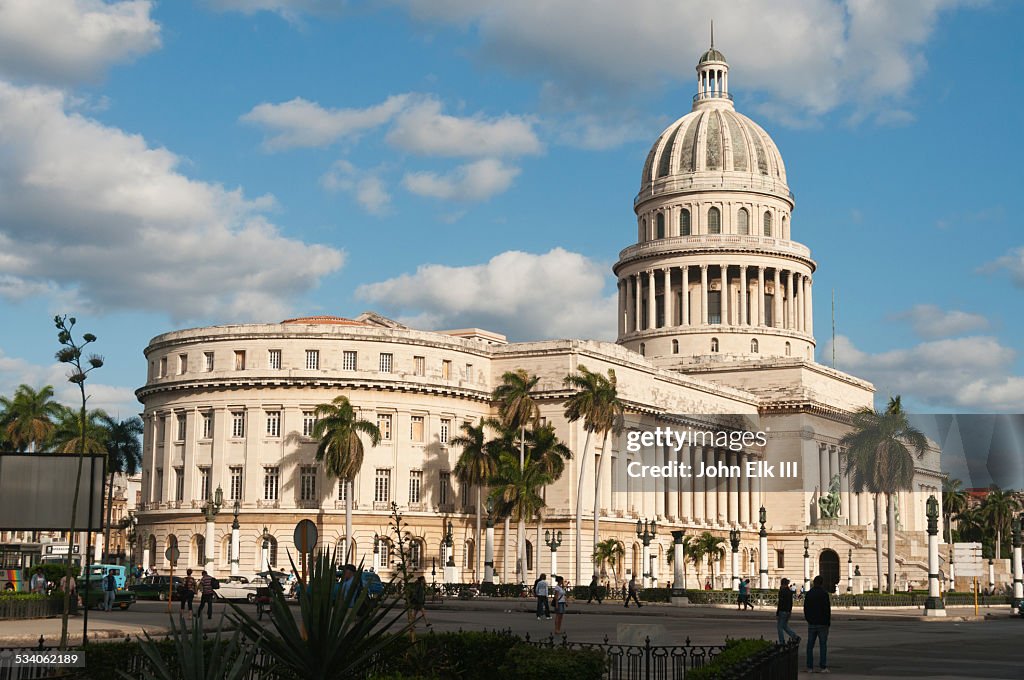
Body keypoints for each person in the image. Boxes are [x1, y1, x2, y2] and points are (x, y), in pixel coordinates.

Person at [803, 575, 831, 673]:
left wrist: (808, 619)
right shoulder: (824, 594)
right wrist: (828, 622)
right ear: (822, 583)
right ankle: (823, 667)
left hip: (812, 623)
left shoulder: (809, 593)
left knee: (810, 645)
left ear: (814, 582)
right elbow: (827, 609)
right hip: (822, 623)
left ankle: (809, 667)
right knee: (823, 645)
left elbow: (805, 608)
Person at [776, 578, 800, 645]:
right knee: (785, 626)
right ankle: (795, 637)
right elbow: (790, 602)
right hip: (787, 611)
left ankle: (782, 642)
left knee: (779, 627)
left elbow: (780, 603)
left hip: (782, 611)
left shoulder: (782, 591)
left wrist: (777, 612)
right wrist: (790, 611)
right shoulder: (789, 591)